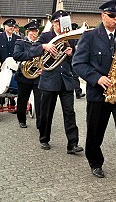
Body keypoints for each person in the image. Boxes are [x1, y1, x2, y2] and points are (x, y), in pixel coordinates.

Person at [72, 0, 116, 185]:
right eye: (112, 16)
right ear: (103, 16)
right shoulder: (90, 36)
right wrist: (97, 78)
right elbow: (78, 64)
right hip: (98, 93)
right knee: (95, 132)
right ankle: (95, 162)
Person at [29, 10, 83, 154]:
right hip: (49, 80)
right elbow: (32, 49)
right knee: (46, 112)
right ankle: (44, 138)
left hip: (66, 81)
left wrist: (71, 54)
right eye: (59, 23)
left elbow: (75, 61)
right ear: (54, 23)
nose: (62, 26)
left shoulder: (70, 37)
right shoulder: (46, 36)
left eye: (64, 23)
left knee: (70, 112)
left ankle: (72, 144)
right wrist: (44, 46)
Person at [12, 20, 42, 129]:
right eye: (32, 31)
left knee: (40, 101)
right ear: (27, 32)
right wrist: (32, 55)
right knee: (22, 99)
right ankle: (21, 120)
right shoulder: (20, 42)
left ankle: (40, 123)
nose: (34, 33)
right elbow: (16, 55)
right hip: (24, 76)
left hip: (38, 75)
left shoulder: (40, 43)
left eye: (36, 31)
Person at [0, 19, 21, 109]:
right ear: (5, 27)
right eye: (9, 26)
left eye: (13, 26)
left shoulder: (17, 38)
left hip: (13, 66)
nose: (11, 28)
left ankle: (12, 102)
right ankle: (0, 102)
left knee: (13, 82)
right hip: (1, 66)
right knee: (2, 84)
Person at [70, 22, 85, 99]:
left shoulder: (77, 38)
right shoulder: (69, 37)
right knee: (74, 76)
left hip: (74, 58)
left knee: (75, 76)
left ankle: (78, 92)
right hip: (70, 58)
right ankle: (77, 92)